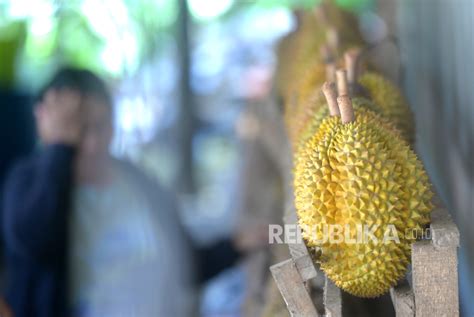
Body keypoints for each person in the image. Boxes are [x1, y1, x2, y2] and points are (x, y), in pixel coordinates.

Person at [2, 68, 263, 317]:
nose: (91, 143)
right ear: (50, 126)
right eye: (79, 130)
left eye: (100, 126)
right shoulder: (27, 184)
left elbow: (183, 263)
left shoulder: (138, 184)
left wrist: (238, 244)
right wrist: (60, 149)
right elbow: (35, 238)